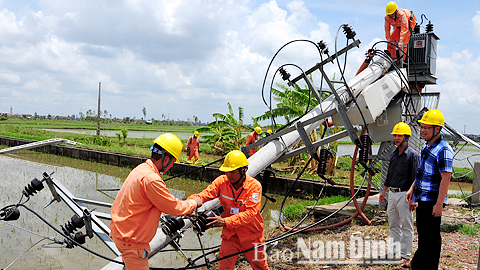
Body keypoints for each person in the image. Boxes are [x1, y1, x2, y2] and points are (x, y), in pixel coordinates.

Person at [110, 133, 203, 270]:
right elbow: (174, 207)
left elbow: (163, 201)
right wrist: (194, 203)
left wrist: (186, 209)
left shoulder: (141, 169)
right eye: (173, 162)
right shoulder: (151, 179)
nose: (172, 166)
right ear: (166, 159)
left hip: (122, 234)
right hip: (132, 244)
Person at [188, 150, 269, 270]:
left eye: (232, 171)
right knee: (225, 267)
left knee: (260, 267)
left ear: (243, 170)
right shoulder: (222, 182)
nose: (228, 175)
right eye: (226, 171)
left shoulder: (254, 187)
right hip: (230, 235)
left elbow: (251, 213)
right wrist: (191, 204)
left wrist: (224, 222)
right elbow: (205, 194)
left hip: (251, 235)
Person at [406, 109, 453, 270]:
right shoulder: (427, 146)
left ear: (437, 129)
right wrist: (413, 191)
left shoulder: (443, 150)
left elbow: (446, 178)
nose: (423, 130)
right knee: (424, 234)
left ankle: (430, 266)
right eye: (422, 126)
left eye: (427, 127)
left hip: (433, 200)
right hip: (423, 198)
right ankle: (418, 263)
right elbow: (421, 172)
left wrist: (439, 204)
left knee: (432, 237)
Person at [379, 122, 419, 267]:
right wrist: (384, 192)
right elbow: (389, 176)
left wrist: (413, 199)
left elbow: (416, 179)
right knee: (394, 224)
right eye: (395, 135)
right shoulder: (394, 154)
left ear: (407, 137)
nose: (396, 138)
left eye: (399, 135)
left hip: (405, 195)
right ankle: (393, 252)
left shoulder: (413, 156)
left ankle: (404, 255)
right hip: (393, 194)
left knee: (406, 226)